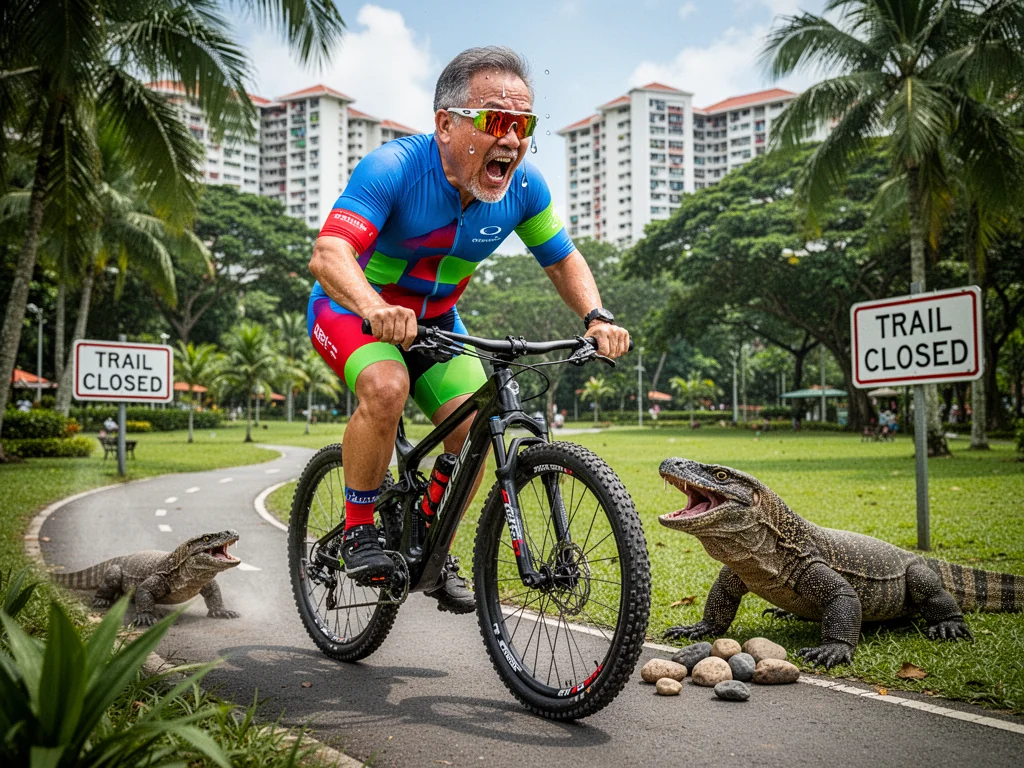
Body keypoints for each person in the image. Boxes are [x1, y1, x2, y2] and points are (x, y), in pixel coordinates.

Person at [307, 47, 631, 613]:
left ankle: (434, 550)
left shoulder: (523, 188)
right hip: (355, 311)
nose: (512, 139)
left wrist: (597, 316)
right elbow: (329, 254)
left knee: (475, 431)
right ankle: (358, 529)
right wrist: (376, 307)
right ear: (446, 124)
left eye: (523, 125)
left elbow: (562, 259)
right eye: (496, 121)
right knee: (386, 387)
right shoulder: (394, 168)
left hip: (437, 325)